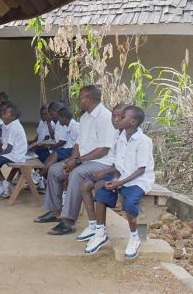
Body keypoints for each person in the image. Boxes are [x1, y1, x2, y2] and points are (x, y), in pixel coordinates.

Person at [34, 85, 116, 236]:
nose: (78, 99)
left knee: (76, 174)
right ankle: (55, 211)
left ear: (90, 100)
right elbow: (78, 143)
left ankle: (68, 221)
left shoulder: (105, 117)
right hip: (84, 160)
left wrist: (77, 162)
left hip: (103, 162)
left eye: (81, 97)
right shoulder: (85, 117)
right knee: (55, 170)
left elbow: (103, 150)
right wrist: (71, 160)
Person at [83, 106, 154, 259]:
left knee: (130, 204)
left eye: (123, 117)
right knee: (101, 192)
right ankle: (100, 232)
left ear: (133, 122)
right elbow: (119, 162)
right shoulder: (121, 138)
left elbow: (141, 169)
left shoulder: (143, 141)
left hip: (138, 180)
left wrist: (120, 182)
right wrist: (113, 177)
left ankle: (134, 237)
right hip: (122, 177)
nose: (118, 119)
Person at [75, 103, 127, 242]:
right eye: (113, 116)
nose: (115, 119)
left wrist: (106, 172)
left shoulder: (130, 137)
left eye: (120, 116)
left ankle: (101, 232)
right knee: (85, 185)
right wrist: (106, 170)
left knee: (100, 188)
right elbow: (114, 159)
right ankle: (93, 226)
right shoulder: (116, 133)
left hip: (125, 175)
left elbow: (126, 164)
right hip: (112, 169)